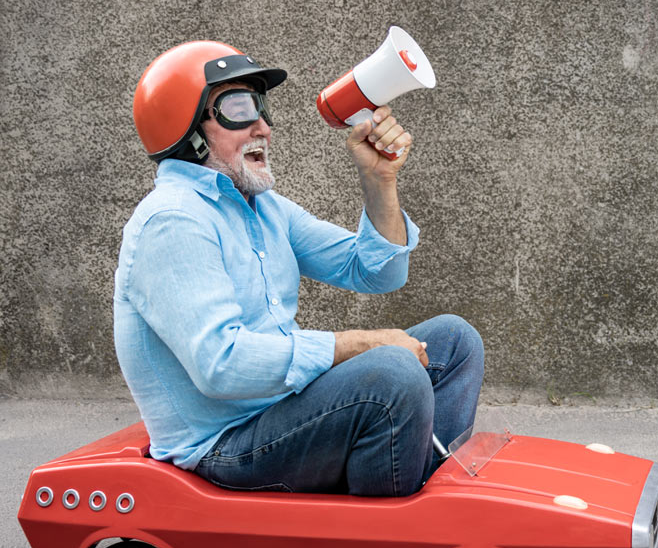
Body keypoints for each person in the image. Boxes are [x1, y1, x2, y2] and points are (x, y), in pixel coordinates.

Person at [115, 40, 483, 496]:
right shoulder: (172, 222)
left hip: (280, 415)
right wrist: (360, 344)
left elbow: (376, 272)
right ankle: (382, 539)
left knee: (454, 340)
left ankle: (422, 486)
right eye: (238, 108)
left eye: (262, 108)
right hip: (226, 445)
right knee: (392, 373)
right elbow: (220, 366)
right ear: (186, 129)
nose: (264, 127)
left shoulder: (264, 208)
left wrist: (378, 180)